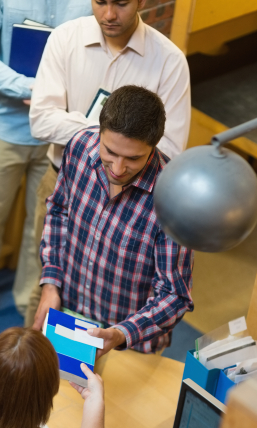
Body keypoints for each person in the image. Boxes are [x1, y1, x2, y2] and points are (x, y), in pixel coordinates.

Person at [24, 0, 191, 327]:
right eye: (100, 1)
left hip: (138, 200)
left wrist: (103, 135)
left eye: (122, 3)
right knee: (47, 282)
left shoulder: (170, 61)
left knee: (116, 292)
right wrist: (104, 135)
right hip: (64, 178)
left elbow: (169, 149)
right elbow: (41, 122)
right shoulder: (65, 39)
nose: (109, 14)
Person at [0, 0, 92, 340]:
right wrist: (28, 87)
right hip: (4, 127)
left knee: (43, 227)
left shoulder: (92, 4)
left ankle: (31, 301)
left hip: (60, 135)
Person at [33, 86, 194, 357]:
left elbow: (174, 296)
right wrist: (51, 284)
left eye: (133, 158)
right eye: (110, 151)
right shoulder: (79, 147)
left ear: (154, 146)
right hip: (69, 315)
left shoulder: (173, 197)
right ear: (99, 131)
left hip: (129, 344)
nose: (118, 169)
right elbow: (59, 212)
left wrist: (121, 334)